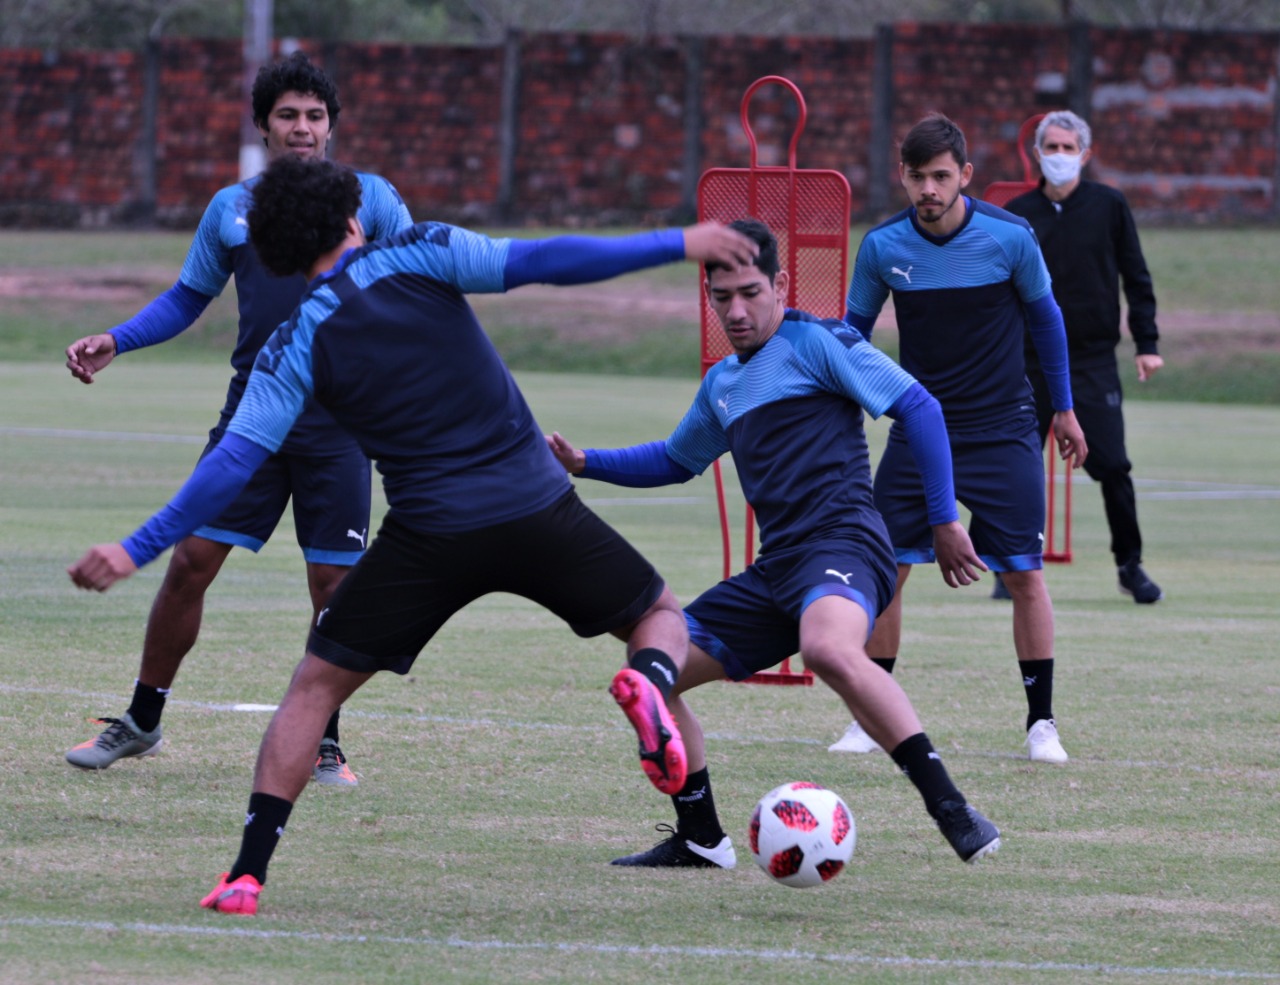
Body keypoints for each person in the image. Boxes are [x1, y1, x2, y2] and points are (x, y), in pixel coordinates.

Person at [67, 154, 761, 915]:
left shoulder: (292, 342)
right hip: (536, 505)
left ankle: (246, 873)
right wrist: (679, 242)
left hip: (429, 535)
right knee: (657, 616)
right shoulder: (423, 250)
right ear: (353, 218)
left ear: (275, 253)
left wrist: (137, 546)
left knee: (312, 690)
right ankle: (653, 687)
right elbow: (545, 260)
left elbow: (232, 461)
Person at [547, 217, 1001, 870]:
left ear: (781, 284)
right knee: (654, 665)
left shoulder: (819, 342)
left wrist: (944, 519)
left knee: (826, 647)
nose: (736, 310)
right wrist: (586, 461)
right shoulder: (723, 387)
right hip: (777, 569)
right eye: (721, 297)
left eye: (751, 292)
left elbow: (920, 407)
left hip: (845, 543)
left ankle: (951, 808)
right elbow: (676, 460)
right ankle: (701, 836)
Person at [62, 52, 413, 786]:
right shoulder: (230, 207)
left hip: (339, 424)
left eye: (315, 116)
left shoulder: (372, 199)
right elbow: (189, 297)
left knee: (333, 588)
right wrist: (117, 338)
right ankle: (142, 720)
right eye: (288, 115)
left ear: (332, 126)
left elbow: (415, 281)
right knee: (190, 562)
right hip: (253, 416)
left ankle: (322, 740)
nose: (303, 128)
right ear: (263, 126)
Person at [828, 113, 1087, 764]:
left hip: (1003, 430)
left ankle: (1041, 723)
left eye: (941, 176)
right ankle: (868, 716)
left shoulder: (1011, 237)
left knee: (1026, 573)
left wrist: (1065, 408)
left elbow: (1047, 322)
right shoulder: (884, 246)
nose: (929, 189)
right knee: (885, 569)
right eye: (917, 177)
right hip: (919, 433)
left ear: (965, 176)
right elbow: (852, 337)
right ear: (904, 177)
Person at [1002, 109, 1164, 604]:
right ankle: (1009, 565)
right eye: (1050, 147)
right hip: (1028, 361)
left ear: (1085, 155)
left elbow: (1136, 277)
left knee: (1113, 464)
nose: (1058, 156)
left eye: (1068, 148)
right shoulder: (1016, 215)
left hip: (1091, 360)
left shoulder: (1109, 206)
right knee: (1015, 462)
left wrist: (1147, 344)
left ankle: (1129, 566)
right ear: (1036, 154)